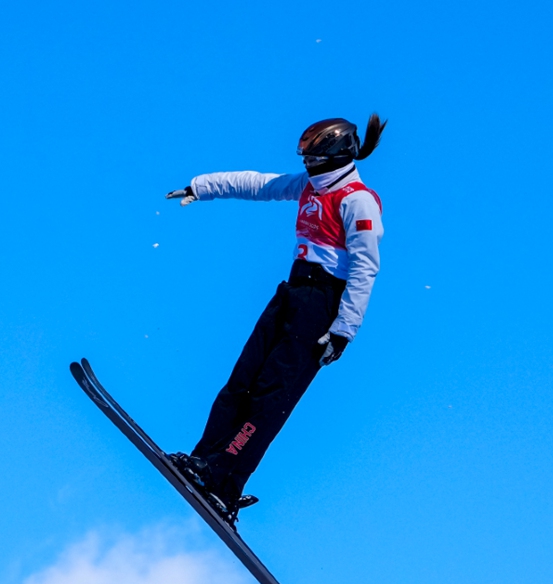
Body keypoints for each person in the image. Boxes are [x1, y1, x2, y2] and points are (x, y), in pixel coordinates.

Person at [165, 114, 387, 525]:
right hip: (292, 292)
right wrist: (202, 186)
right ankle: (204, 462)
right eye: (305, 154)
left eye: (314, 155)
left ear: (336, 154)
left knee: (271, 395)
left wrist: (344, 330)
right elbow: (257, 184)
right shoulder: (308, 186)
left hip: (322, 305)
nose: (307, 163)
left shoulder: (358, 200)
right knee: (242, 380)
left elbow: (365, 267)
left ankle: (225, 480)